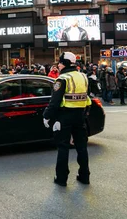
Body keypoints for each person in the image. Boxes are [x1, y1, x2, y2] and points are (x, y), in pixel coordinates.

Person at [43, 52, 91, 187]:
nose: (58, 65)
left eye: (59, 63)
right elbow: (88, 97)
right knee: (82, 147)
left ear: (64, 64)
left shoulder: (62, 79)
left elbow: (55, 101)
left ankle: (61, 178)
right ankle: (84, 176)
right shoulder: (83, 77)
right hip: (80, 116)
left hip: (64, 116)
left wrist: (47, 116)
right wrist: (85, 113)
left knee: (63, 147)